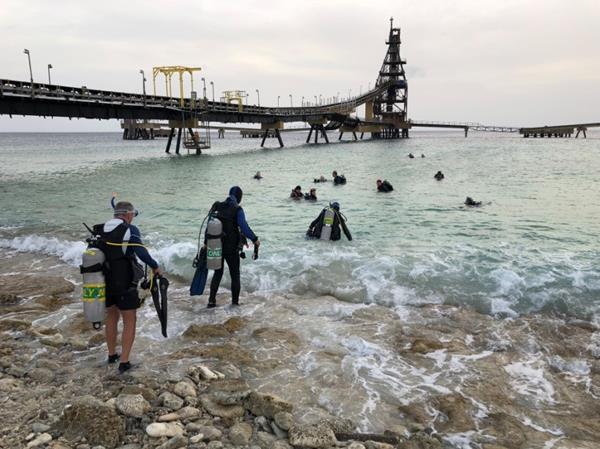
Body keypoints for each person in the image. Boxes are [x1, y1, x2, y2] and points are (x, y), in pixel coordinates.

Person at [103, 201, 160, 374]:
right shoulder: (130, 230)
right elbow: (141, 252)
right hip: (124, 282)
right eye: (133, 215)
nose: (133, 218)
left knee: (111, 317)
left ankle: (112, 355)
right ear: (127, 214)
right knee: (129, 320)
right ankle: (124, 362)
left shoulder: (102, 228)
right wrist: (155, 266)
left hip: (103, 280)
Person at [207, 186, 260, 308]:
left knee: (217, 273)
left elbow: (209, 224)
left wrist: (206, 243)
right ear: (239, 197)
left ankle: (211, 301)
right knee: (235, 275)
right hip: (231, 248)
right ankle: (235, 303)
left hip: (215, 245)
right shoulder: (238, 209)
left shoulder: (218, 205)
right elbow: (244, 227)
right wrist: (255, 239)